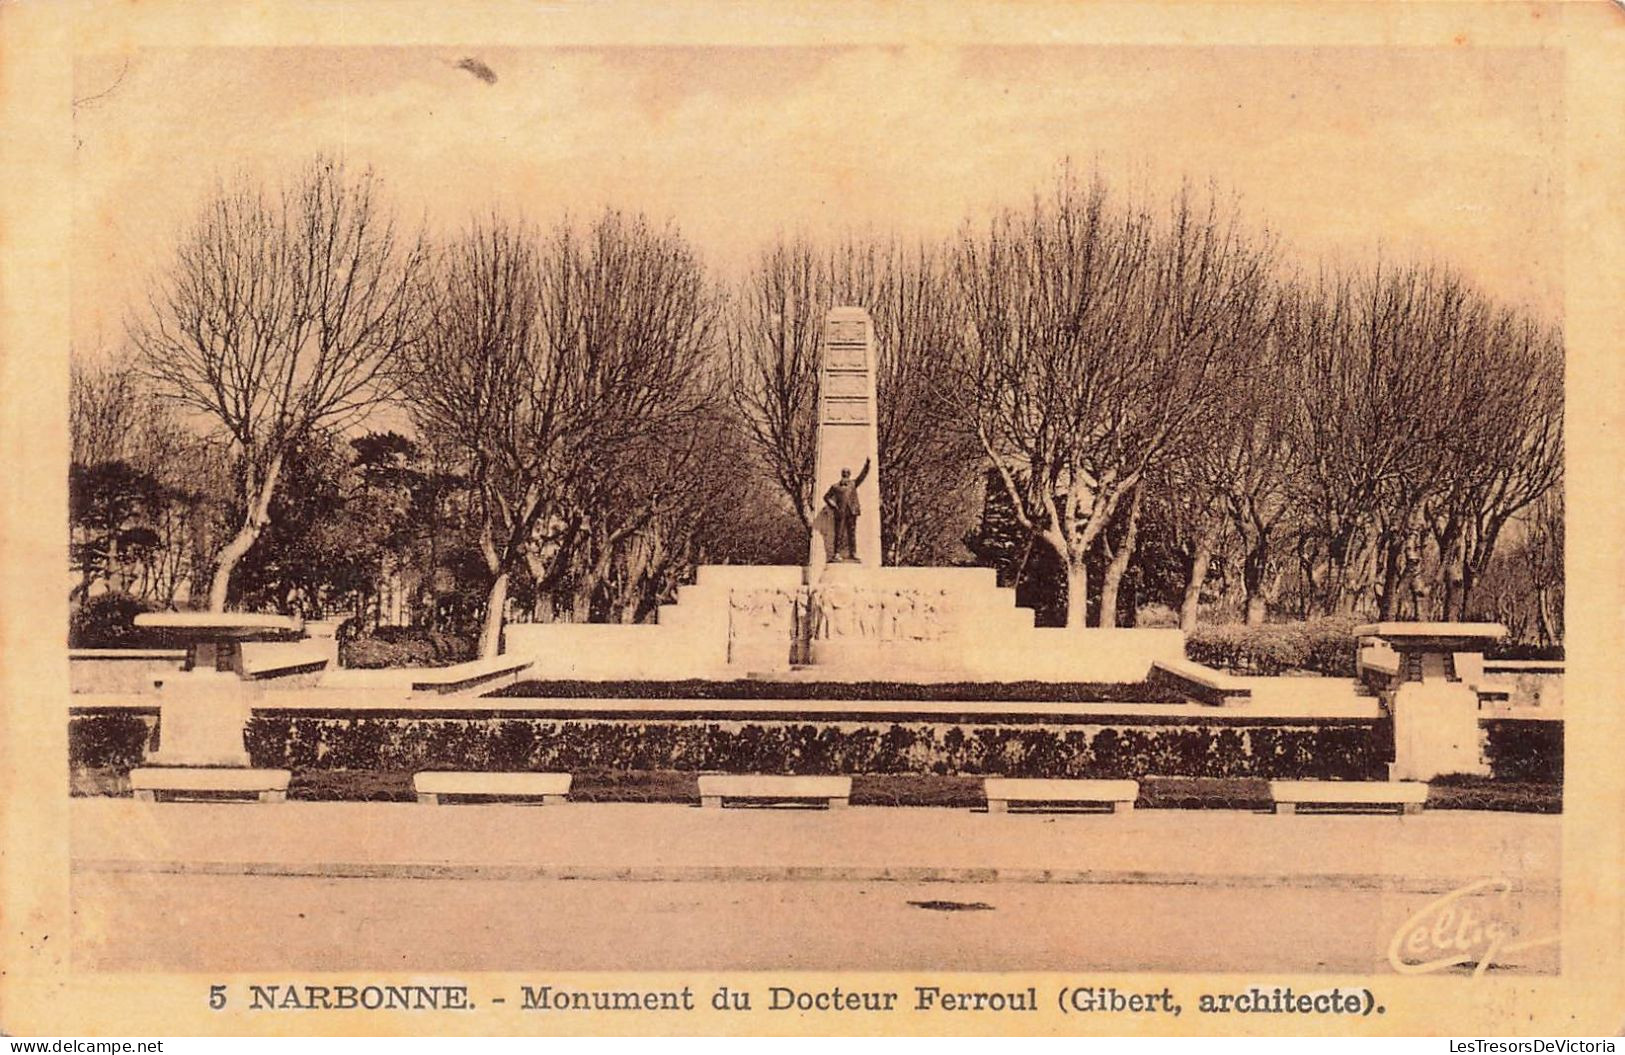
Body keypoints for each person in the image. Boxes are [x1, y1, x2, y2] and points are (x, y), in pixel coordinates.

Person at [823, 458, 871, 562]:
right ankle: (836, 553)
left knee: (852, 533)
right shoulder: (835, 487)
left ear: (849, 475)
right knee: (839, 533)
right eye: (844, 473)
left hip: (852, 511)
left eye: (847, 473)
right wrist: (833, 506)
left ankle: (853, 553)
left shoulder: (853, 484)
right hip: (840, 512)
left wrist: (867, 465)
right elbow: (826, 497)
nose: (845, 475)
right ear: (842, 474)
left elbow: (862, 476)